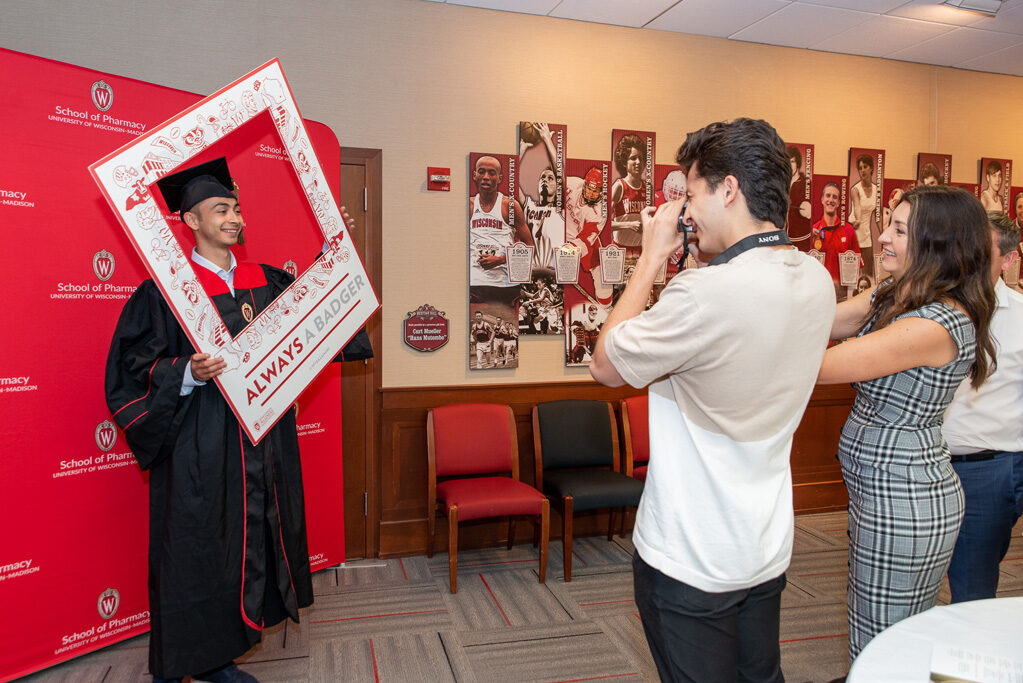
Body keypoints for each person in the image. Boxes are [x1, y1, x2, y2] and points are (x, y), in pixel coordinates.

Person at [105, 158, 371, 683]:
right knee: (197, 549)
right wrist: (186, 370)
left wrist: (335, 256)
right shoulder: (165, 293)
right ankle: (184, 664)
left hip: (263, 442)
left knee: (248, 544)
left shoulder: (266, 280)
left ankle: (222, 656)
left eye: (236, 208)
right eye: (220, 209)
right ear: (191, 222)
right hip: (197, 444)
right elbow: (130, 371)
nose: (233, 217)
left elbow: (315, 316)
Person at [590, 118, 834, 682]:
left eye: (691, 193)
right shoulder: (814, 277)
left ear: (729, 190)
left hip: (691, 557)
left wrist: (652, 259)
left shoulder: (702, 295)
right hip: (764, 547)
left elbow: (605, 365)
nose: (685, 210)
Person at [818, 184, 996, 660]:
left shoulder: (935, 324)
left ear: (936, 243)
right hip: (881, 493)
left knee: (880, 647)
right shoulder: (897, 294)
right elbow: (826, 320)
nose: (883, 239)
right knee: (887, 638)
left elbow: (821, 365)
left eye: (899, 229)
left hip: (905, 502)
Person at [942, 211, 1023, 603]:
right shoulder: (933, 309)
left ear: (1008, 260)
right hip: (926, 468)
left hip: (988, 472)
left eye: (980, 248)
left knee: (972, 594)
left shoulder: (1021, 318)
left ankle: (961, 666)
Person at [469, 155, 534, 302]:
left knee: (506, 325)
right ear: (474, 175)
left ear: (500, 178)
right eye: (481, 171)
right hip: (475, 281)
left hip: (504, 283)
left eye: (491, 173)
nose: (486, 177)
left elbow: (529, 246)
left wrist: (500, 260)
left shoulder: (510, 206)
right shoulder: (469, 205)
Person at [518, 122, 565, 270]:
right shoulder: (529, 205)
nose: (545, 179)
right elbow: (509, 180)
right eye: (542, 177)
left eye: (550, 178)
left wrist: (547, 140)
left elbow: (561, 173)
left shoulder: (560, 208)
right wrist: (521, 150)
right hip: (532, 273)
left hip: (553, 274)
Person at [565, 165, 613, 305]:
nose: (590, 194)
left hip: (577, 238)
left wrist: (568, 254)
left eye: (595, 191)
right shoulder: (573, 183)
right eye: (589, 189)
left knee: (597, 265)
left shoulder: (600, 212)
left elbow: (585, 240)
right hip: (559, 226)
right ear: (584, 185)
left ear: (601, 192)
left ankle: (606, 305)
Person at [811, 182, 861, 299]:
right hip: (818, 295)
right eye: (828, 196)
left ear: (838, 203)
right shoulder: (813, 231)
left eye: (835, 197)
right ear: (822, 199)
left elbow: (857, 267)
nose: (831, 200)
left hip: (842, 296)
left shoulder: (849, 230)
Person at [610, 133, 648, 254]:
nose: (638, 162)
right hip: (620, 249)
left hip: (640, 250)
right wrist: (628, 224)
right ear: (624, 162)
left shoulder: (647, 188)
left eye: (641, 159)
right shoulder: (619, 186)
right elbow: (602, 224)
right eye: (633, 158)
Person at [847, 153, 879, 268]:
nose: (863, 171)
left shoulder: (877, 190)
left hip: (866, 233)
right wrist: (858, 219)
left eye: (865, 167)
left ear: (871, 168)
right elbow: (857, 206)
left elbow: (878, 216)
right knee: (853, 270)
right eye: (860, 168)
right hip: (854, 228)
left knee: (868, 271)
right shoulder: (855, 189)